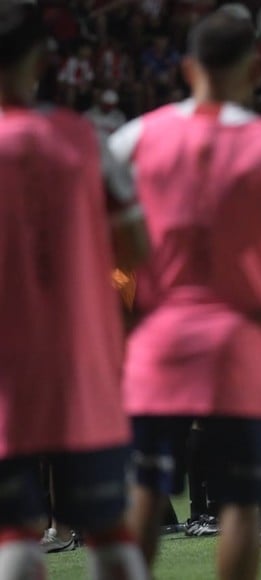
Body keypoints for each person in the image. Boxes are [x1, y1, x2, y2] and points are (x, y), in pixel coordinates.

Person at [110, 8, 261, 578]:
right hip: (241, 334)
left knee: (144, 493)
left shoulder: (136, 136)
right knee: (241, 503)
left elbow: (99, 226)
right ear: (256, 71)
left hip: (161, 335)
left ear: (187, 67)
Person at [0, 2, 149, 578]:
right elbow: (136, 242)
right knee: (106, 524)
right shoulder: (79, 139)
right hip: (78, 357)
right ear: (40, 58)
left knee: (15, 526)